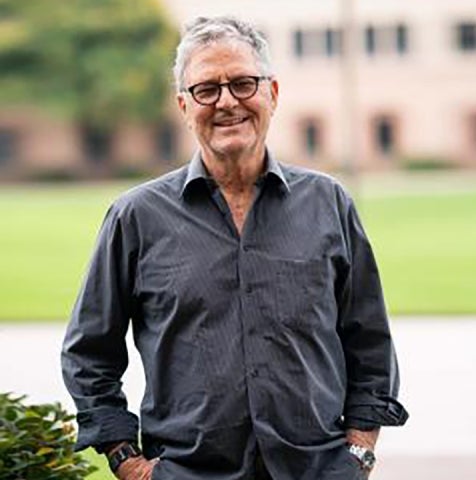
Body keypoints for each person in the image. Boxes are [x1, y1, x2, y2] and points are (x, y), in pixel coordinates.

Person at [61, 16, 408, 480]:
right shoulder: (136, 217)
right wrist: (127, 461)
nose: (227, 102)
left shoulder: (329, 203)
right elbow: (88, 352)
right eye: (206, 89)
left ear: (273, 94)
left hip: (318, 471)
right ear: (184, 106)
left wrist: (360, 452)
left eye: (243, 83)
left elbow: (369, 341)